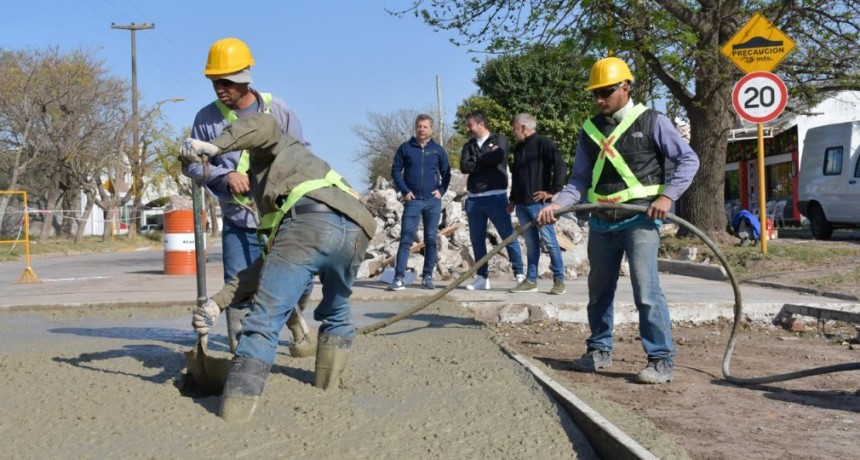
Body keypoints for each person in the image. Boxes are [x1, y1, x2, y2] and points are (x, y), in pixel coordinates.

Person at [180, 114, 377, 423]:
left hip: (312, 221)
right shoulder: (307, 171)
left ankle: (234, 417)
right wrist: (216, 305)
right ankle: (327, 392)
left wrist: (213, 147)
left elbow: (263, 125)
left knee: (263, 319)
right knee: (338, 311)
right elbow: (268, 266)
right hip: (357, 226)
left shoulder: (272, 151)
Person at [536, 57, 700, 384]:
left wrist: (667, 197)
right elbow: (580, 179)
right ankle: (598, 350)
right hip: (601, 222)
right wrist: (557, 204)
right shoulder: (590, 129)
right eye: (595, 93)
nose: (600, 99)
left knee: (646, 291)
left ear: (625, 87)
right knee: (598, 292)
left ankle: (660, 359)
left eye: (606, 92)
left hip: (639, 220)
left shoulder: (652, 121)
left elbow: (688, 159)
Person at [181, 37, 312, 355]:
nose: (219, 88)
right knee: (237, 287)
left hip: (281, 221)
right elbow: (193, 168)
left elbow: (303, 156)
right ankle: (243, 351)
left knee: (299, 282)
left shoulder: (278, 111)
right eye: (215, 81)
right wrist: (225, 178)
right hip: (239, 221)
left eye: (225, 81)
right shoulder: (206, 120)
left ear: (244, 77)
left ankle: (292, 319)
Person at [459, 110, 525, 290]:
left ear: (480, 124)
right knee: (477, 239)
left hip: (496, 196)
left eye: (470, 124)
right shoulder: (469, 145)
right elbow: (464, 166)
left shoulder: (499, 139)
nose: (468, 128)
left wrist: (476, 161)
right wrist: (483, 159)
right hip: (474, 200)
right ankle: (482, 277)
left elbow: (498, 156)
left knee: (508, 236)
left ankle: (519, 274)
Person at [388, 114, 451, 291]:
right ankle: (399, 277)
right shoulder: (405, 148)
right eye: (419, 126)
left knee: (431, 239)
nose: (421, 129)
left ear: (431, 129)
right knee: (406, 238)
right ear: (415, 128)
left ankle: (428, 276)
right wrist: (405, 191)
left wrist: (441, 191)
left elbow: (446, 173)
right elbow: (395, 170)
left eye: (425, 126)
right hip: (413, 200)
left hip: (432, 201)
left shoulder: (438, 150)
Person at [508, 113, 568, 295]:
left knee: (549, 241)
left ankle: (559, 280)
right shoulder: (518, 149)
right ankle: (531, 280)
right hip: (522, 205)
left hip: (539, 205)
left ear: (524, 128)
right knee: (531, 244)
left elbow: (560, 166)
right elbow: (517, 176)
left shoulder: (543, 143)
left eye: (515, 128)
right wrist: (512, 200)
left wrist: (552, 191)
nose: (513, 132)